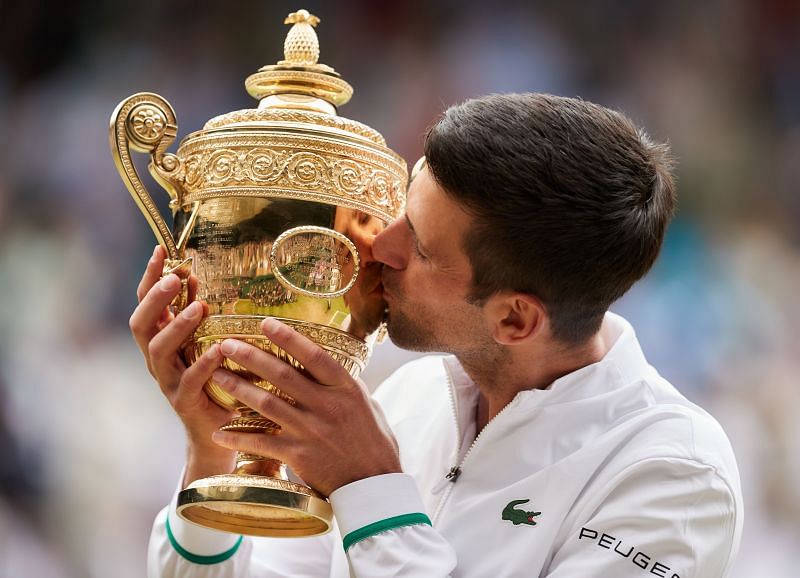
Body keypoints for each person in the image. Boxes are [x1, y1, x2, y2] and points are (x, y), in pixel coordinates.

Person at [132, 93, 742, 577]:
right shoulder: (406, 396)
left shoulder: (674, 474)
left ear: (515, 319)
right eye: (402, 207)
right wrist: (213, 451)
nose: (378, 246)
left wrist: (371, 491)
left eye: (418, 246)